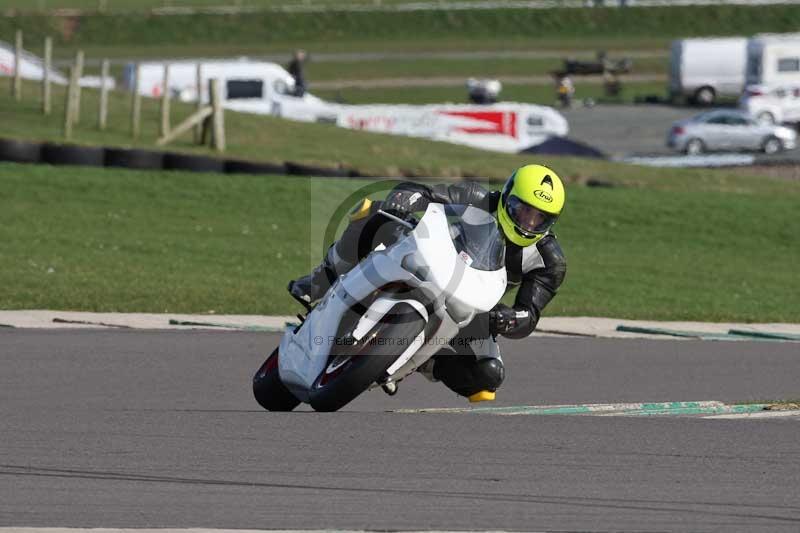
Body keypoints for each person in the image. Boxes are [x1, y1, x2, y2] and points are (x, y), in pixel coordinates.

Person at [289, 165, 567, 402]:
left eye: (539, 217)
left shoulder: (549, 261)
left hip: (469, 303)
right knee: (375, 213)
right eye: (522, 210)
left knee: (487, 376)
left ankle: (425, 362)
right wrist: (405, 198)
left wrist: (509, 319)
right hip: (426, 260)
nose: (528, 222)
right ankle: (322, 278)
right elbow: (424, 191)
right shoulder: (475, 197)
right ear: (507, 197)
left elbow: (529, 315)